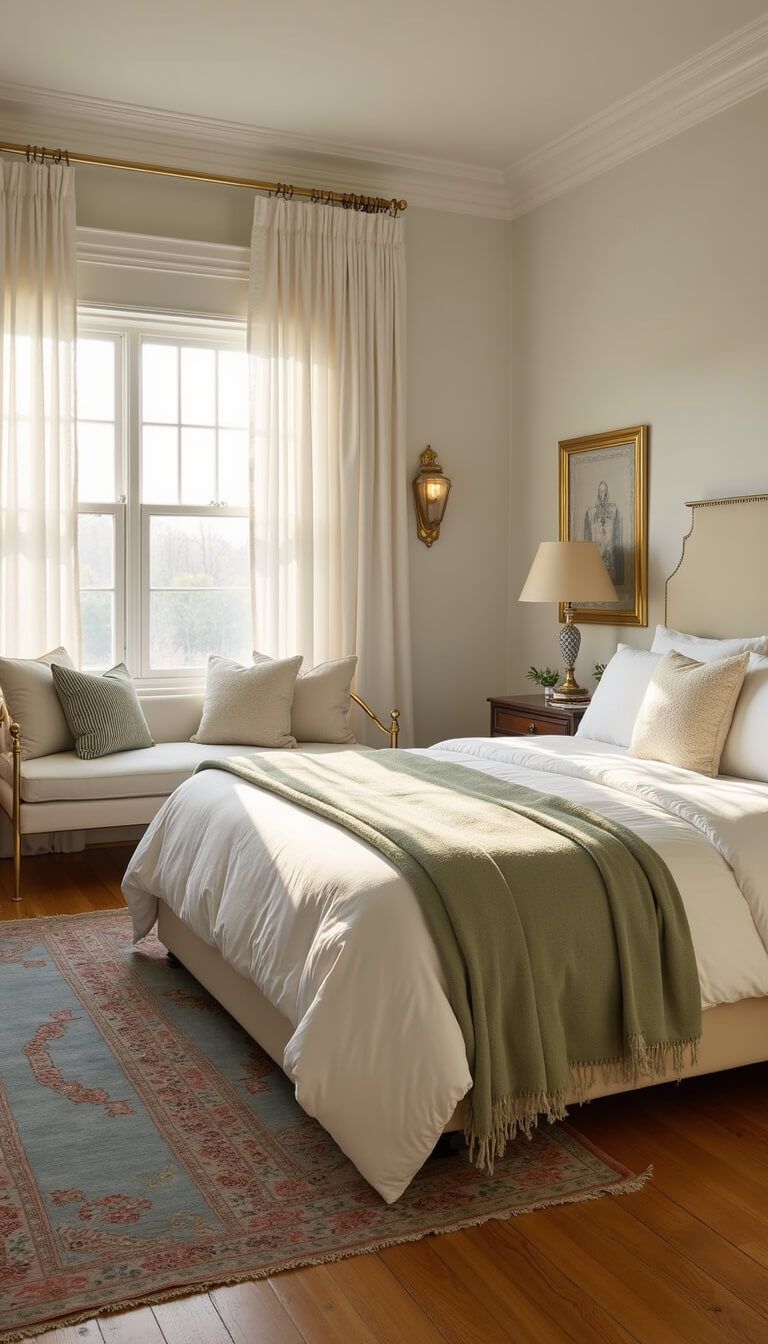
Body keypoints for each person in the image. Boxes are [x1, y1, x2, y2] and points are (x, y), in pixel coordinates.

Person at [583, 480, 623, 586]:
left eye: (604, 491)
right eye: (600, 491)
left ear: (607, 493)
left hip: (608, 550)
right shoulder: (591, 512)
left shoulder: (613, 510)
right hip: (597, 550)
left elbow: (616, 536)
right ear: (598, 493)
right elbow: (587, 537)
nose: (602, 493)